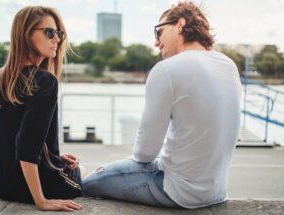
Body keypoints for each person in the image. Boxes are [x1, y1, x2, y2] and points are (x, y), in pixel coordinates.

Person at [82, 1, 242, 209]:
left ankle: (79, 171)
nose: (156, 42)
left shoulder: (166, 69)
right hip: (216, 191)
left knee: (90, 181)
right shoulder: (228, 65)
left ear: (180, 24)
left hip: (178, 191)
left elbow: (144, 154)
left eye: (159, 31)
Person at [0, 6, 85, 212]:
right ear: (26, 34)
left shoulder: (0, 79)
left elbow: (8, 138)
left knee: (71, 166)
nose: (57, 39)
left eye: (59, 33)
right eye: (49, 32)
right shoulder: (45, 81)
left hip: (4, 187)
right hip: (36, 188)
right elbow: (25, 146)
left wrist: (54, 157)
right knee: (85, 172)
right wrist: (41, 201)